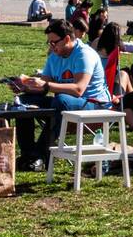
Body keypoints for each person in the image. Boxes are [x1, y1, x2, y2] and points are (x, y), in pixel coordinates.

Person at [15, 20, 113, 168]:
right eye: (49, 43)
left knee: (62, 100)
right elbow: (43, 87)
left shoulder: (84, 54)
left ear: (67, 39)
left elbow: (78, 89)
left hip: (94, 104)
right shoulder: (54, 57)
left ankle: (39, 154)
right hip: (64, 105)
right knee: (22, 102)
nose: (51, 47)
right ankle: (28, 154)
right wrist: (24, 87)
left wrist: (46, 85)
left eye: (53, 43)